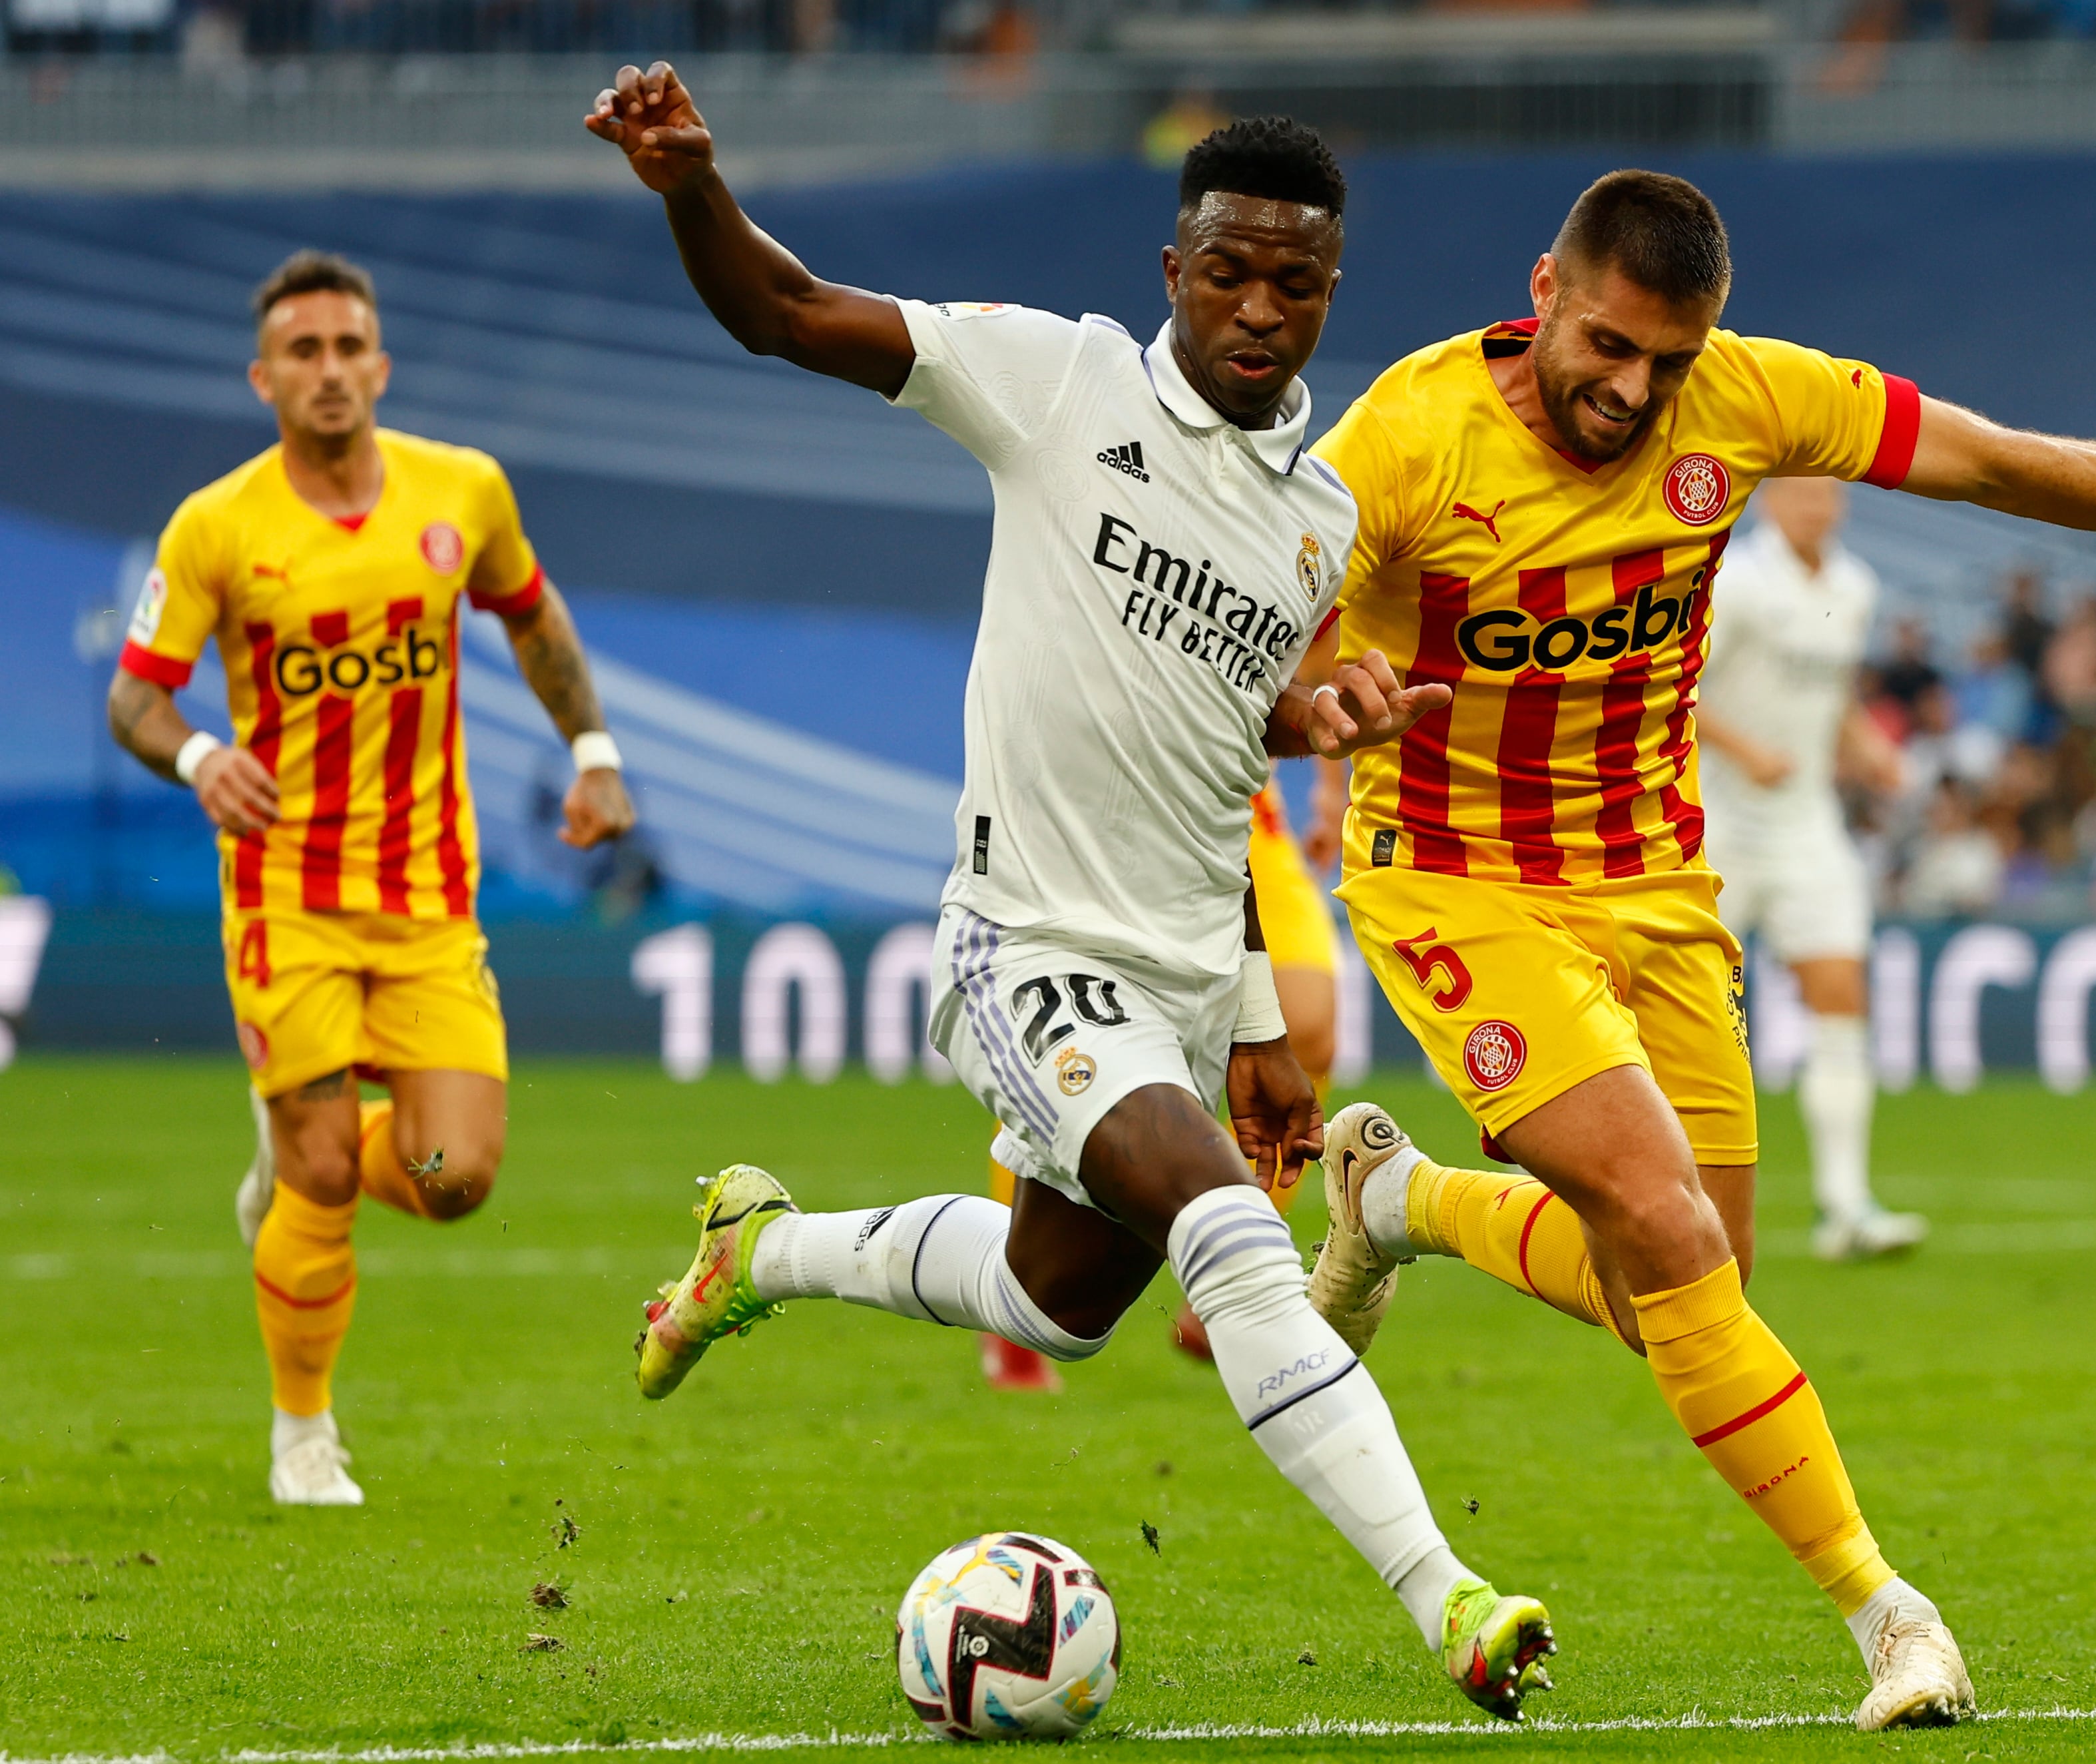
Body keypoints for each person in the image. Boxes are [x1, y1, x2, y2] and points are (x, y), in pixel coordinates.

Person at [1299, 168, 2096, 1730]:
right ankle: (1886, 1610)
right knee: (1669, 1231)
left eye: (1665, 360)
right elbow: (1264, 626)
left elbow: (1996, 460)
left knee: (1680, 1292)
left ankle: (1399, 1197)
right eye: (1608, 347)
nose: (1631, 390)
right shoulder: (1402, 432)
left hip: (1654, 877)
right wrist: (1317, 695)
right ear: (1544, 292)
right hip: (1453, 878)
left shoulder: (1745, 396)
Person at [587, 71, 1557, 1719]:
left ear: (1330, 291)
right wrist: (692, 183)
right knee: (1232, 1238)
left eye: (1295, 281)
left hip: (1181, 965)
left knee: (1059, 1297)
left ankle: (761, 1251)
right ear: (1171, 267)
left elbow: (1221, 743)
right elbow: (786, 310)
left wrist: (1257, 969)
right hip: (1024, 938)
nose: (1260, 307)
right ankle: (1446, 1594)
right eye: (1229, 270)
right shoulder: (1052, 378)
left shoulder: (1315, 522)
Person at [106, 250, 637, 1507]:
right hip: (283, 893)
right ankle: (304, 1433)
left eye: (350, 347)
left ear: (381, 367)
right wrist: (196, 755)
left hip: (424, 896)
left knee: (457, 1180)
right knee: (329, 1171)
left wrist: (596, 752)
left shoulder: (464, 489)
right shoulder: (216, 525)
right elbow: (137, 691)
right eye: (304, 350)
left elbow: (533, 616)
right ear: (264, 377)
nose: (330, 369)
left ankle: (296, 1158)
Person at [979, 780, 1340, 1384]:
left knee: (1307, 1023)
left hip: (1240, 801)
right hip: (1124, 792)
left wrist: (1332, 786)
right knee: (1072, 1030)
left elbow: (1322, 681)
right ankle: (1011, 1301)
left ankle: (1234, 1282)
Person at [1702, 476, 1925, 1261]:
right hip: (1715, 826)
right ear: (1770, 502)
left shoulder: (1853, 588)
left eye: (1828, 497)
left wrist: (1867, 750)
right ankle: (1665, 1198)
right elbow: (1675, 688)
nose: (1816, 510)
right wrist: (1746, 751)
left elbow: (1832, 700)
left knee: (1840, 994)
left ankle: (1846, 1206)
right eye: (1802, 496)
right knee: (1689, 1015)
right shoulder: (1735, 583)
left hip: (1805, 825)